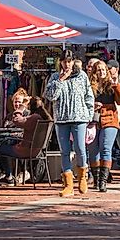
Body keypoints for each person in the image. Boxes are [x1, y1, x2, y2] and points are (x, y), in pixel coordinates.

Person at [44, 49, 94, 197]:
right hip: (62, 119)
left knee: (80, 148)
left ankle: (83, 176)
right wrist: (60, 80)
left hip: (79, 118)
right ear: (61, 62)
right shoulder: (54, 77)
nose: (67, 64)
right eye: (64, 61)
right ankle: (68, 183)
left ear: (73, 61)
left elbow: (88, 95)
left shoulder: (82, 76)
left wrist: (89, 114)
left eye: (69, 61)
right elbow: (50, 96)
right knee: (64, 151)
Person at [86, 61, 120, 192]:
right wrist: (93, 105)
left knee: (105, 147)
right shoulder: (89, 86)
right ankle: (96, 179)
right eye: (99, 70)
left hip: (110, 119)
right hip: (93, 119)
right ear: (94, 72)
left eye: (104, 70)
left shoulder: (112, 84)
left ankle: (103, 181)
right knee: (93, 150)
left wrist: (117, 86)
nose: (102, 72)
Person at [0, 96, 52, 184]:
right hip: (37, 150)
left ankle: (8, 176)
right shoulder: (46, 118)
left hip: (25, 150)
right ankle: (11, 174)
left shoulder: (34, 118)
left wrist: (22, 107)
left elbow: (16, 120)